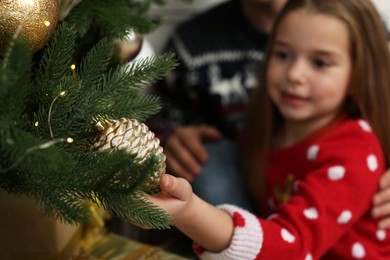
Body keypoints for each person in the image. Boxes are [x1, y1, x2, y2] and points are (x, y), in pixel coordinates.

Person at [145, 0, 390, 258]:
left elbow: (292, 248)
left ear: (357, 75)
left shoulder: (353, 152)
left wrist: (190, 212)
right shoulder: (265, 130)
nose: (295, 74)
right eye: (283, 55)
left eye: (320, 63)